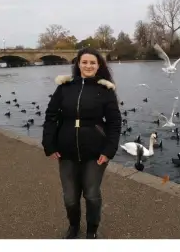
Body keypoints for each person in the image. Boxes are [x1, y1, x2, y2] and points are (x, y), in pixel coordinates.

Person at [42, 48, 122, 239]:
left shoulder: (105, 90)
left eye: (92, 62)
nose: (88, 66)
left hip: (95, 152)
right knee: (70, 197)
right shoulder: (65, 87)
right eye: (84, 62)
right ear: (78, 64)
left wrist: (109, 150)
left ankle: (92, 231)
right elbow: (51, 116)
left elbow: (114, 122)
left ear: (98, 66)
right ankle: (74, 227)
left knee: (92, 195)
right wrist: (49, 144)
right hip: (67, 151)